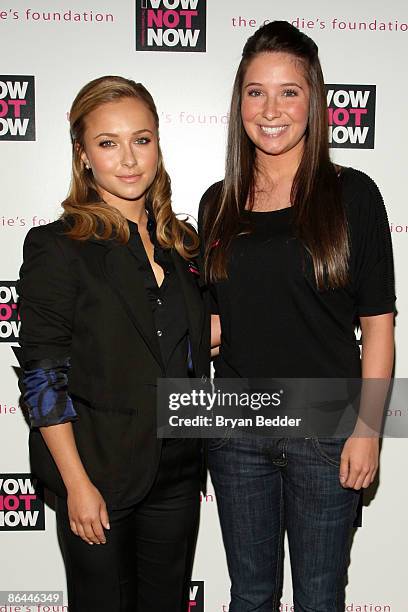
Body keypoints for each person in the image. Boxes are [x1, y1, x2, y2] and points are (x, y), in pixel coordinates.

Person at [198, 21, 395, 612]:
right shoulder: (218, 203)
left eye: (290, 91)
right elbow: (217, 324)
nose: (271, 108)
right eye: (256, 91)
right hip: (235, 430)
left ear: (315, 99)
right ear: (239, 102)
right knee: (251, 595)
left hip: (327, 429)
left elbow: (378, 328)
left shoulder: (353, 195)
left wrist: (368, 431)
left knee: (318, 597)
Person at [16, 75, 209, 612]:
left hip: (175, 470)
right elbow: (42, 374)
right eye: (108, 143)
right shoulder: (59, 246)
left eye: (141, 140)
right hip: (95, 472)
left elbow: (179, 340)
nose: (128, 159)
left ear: (158, 146)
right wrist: (76, 483)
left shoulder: (180, 244)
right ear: (83, 156)